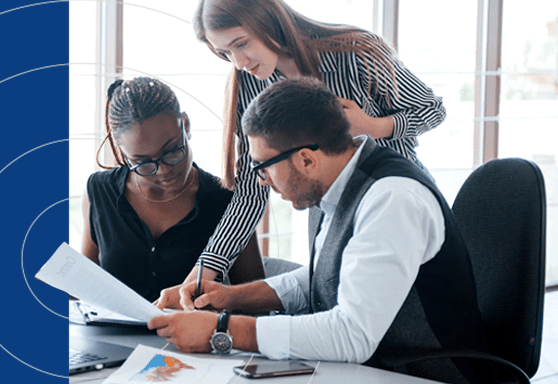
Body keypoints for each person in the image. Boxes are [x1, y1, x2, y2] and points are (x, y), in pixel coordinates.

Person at [150, 78, 494, 384]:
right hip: (374, 366)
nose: (262, 180)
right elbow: (324, 276)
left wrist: (221, 330)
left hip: (425, 372)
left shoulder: (392, 199)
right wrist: (230, 297)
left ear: (306, 160)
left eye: (264, 167)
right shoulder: (335, 184)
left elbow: (351, 336)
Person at [170, 0, 446, 307]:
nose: (238, 61)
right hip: (327, 209)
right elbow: (250, 193)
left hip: (395, 204)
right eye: (225, 53)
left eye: (241, 44)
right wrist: (201, 275)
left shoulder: (357, 53)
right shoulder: (249, 83)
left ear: (267, 19)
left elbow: (432, 110)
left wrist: (372, 126)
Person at [80, 77, 268, 303]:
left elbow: (256, 303)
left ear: (185, 125)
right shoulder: (99, 192)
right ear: (124, 153)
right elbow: (82, 288)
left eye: (171, 151)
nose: (163, 171)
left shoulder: (226, 199)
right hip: (108, 337)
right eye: (143, 163)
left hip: (194, 337)